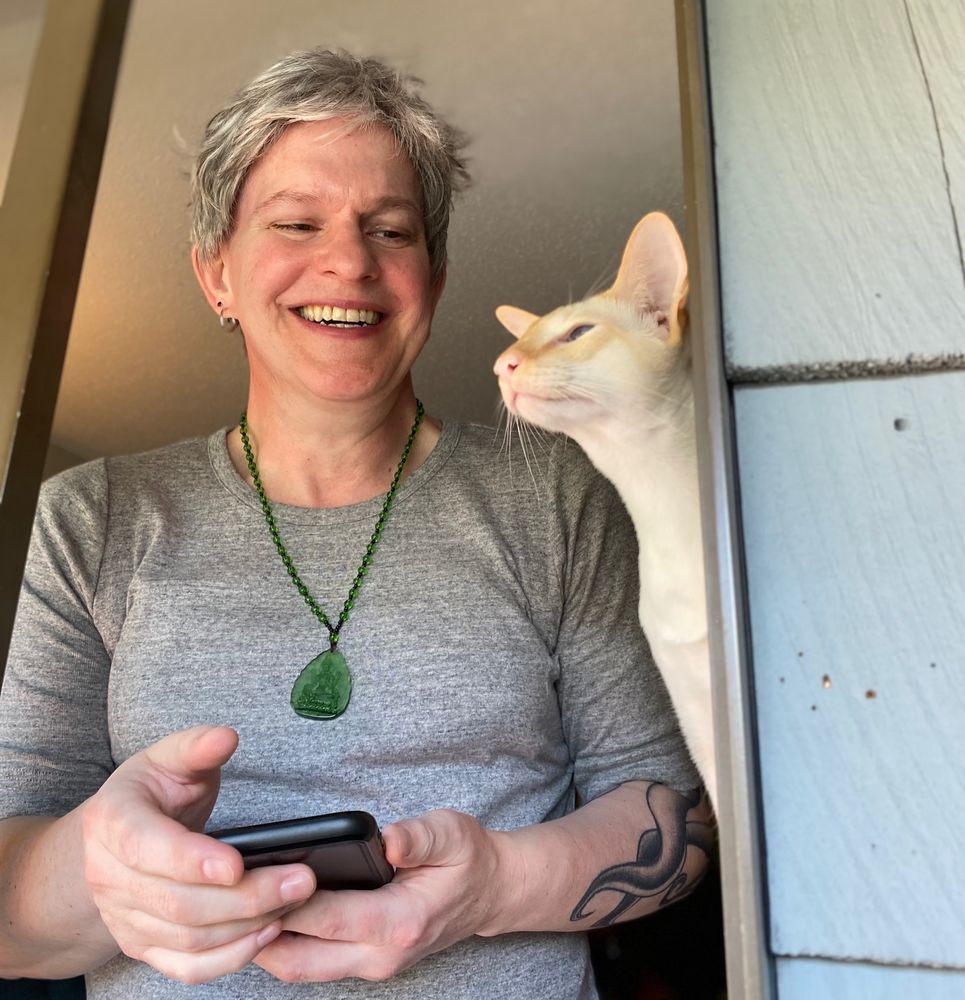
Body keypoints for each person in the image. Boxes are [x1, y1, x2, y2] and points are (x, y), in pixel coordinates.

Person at [0, 49, 711, 999]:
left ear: (434, 275)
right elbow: (11, 923)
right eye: (296, 223)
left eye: (391, 229)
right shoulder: (92, 517)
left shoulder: (558, 496)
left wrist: (490, 888)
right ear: (215, 273)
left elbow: (674, 820)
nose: (348, 262)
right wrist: (102, 868)